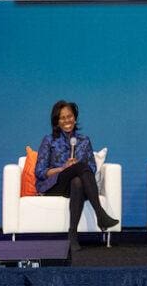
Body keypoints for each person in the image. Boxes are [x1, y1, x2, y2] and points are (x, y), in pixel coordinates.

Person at [35, 100, 118, 253]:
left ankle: (72, 234)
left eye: (70, 116)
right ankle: (100, 214)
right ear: (57, 121)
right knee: (79, 168)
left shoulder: (84, 141)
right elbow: (40, 171)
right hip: (54, 185)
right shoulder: (49, 140)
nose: (67, 121)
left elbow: (92, 167)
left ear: (75, 117)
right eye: (63, 118)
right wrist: (63, 168)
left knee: (78, 181)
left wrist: (76, 168)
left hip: (75, 185)